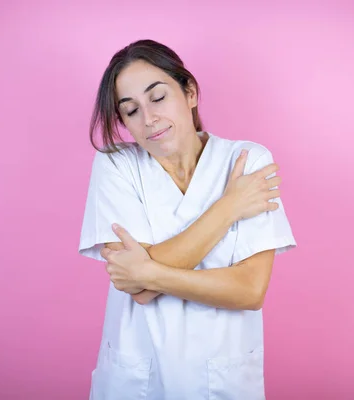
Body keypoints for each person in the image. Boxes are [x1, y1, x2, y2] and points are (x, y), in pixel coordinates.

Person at [78, 39, 297, 400]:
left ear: (190, 92)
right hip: (137, 379)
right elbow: (131, 286)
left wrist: (148, 273)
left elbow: (249, 290)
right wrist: (228, 208)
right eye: (131, 110)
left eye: (158, 97)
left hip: (222, 378)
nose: (149, 119)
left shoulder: (247, 161)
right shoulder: (115, 165)